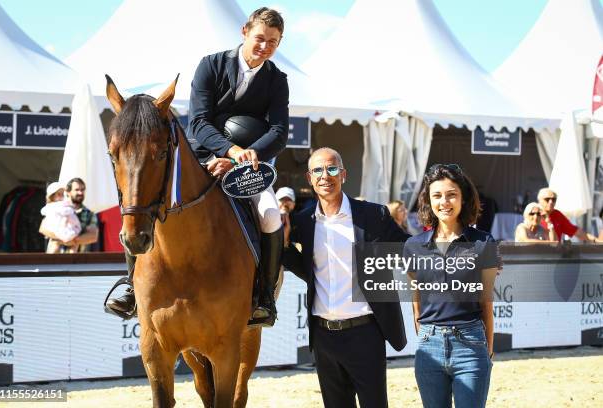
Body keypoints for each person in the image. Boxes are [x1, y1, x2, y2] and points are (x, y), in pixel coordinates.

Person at [106, 8, 289, 326]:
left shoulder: (277, 79)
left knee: (271, 214)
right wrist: (227, 149)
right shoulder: (211, 65)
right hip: (201, 157)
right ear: (245, 31)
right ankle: (131, 287)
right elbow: (200, 121)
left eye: (273, 42)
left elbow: (279, 132)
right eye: (260, 38)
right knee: (147, 198)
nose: (265, 47)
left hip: (249, 165)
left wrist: (244, 156)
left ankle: (264, 297)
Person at [282, 147, 410, 408]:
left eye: (331, 169)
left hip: (366, 332)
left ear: (343, 174)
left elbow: (409, 248)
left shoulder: (373, 215)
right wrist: (284, 246)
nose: (324, 176)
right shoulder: (304, 220)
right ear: (309, 178)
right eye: (317, 170)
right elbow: (306, 269)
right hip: (323, 336)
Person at [405, 164, 498, 408]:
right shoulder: (413, 246)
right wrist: (426, 338)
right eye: (437, 195)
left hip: (471, 345)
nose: (444, 202)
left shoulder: (483, 242)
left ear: (463, 198)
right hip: (429, 347)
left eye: (451, 194)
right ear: (428, 200)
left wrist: (487, 351)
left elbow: (486, 302)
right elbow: (416, 303)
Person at [39, 178, 98, 253]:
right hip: (54, 260)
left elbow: (93, 236)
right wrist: (63, 238)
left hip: (78, 261)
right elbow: (43, 228)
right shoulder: (57, 208)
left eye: (82, 190)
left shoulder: (90, 214)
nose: (80, 192)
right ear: (68, 192)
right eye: (76, 190)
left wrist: (73, 240)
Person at [39, 182, 81, 253]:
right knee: (54, 248)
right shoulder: (50, 208)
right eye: (59, 194)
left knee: (73, 250)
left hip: (70, 234)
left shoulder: (68, 206)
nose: (61, 197)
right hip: (56, 236)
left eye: (63, 194)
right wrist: (59, 237)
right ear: (52, 196)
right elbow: (42, 229)